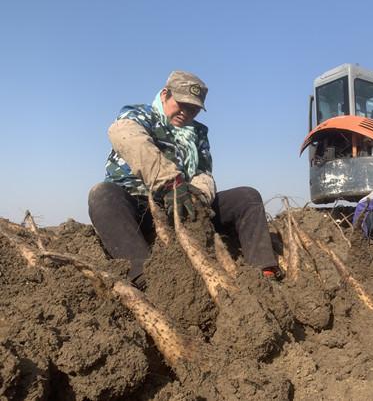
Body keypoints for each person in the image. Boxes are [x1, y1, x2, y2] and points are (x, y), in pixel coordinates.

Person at [88, 70, 283, 287]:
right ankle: (145, 278)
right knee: (102, 194)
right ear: (165, 95)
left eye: (194, 109)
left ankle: (264, 274)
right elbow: (124, 135)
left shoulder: (198, 133)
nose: (186, 112)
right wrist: (171, 183)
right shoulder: (138, 115)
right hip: (141, 207)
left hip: (186, 208)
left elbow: (204, 173)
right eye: (181, 104)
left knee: (247, 196)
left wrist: (198, 196)